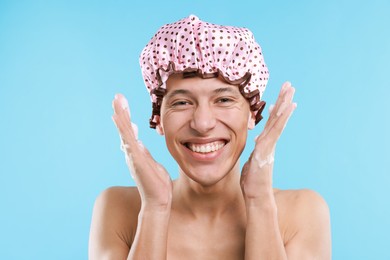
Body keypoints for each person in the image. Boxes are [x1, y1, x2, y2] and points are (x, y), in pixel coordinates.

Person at [89, 15, 331, 259]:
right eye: (182, 102)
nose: (203, 124)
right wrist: (155, 208)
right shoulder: (118, 209)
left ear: (252, 114)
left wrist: (260, 202)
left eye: (224, 100)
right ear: (158, 119)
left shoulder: (303, 212)